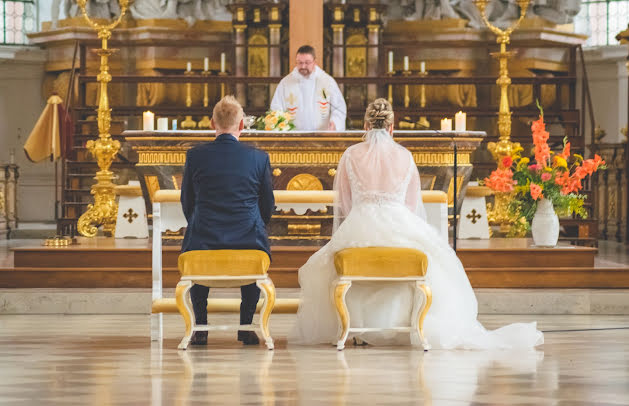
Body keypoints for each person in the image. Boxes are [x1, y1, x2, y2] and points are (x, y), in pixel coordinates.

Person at [290, 98, 544, 349]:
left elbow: (344, 203)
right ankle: (408, 325)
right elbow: (411, 205)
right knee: (435, 263)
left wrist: (362, 219)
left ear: (366, 126)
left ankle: (355, 328)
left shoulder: (351, 155)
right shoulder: (404, 156)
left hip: (359, 223)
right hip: (399, 222)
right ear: (392, 127)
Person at [180, 95, 275, 346]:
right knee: (253, 249)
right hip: (247, 237)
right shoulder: (258, 158)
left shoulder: (195, 156)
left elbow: (187, 201)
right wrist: (254, 223)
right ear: (241, 125)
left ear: (212, 123)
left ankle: (200, 327)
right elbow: (268, 204)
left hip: (204, 237)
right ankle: (245, 326)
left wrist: (201, 222)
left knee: (199, 254)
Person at [270, 45, 347, 131]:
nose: (303, 66)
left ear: (314, 62)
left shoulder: (327, 82)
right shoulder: (285, 83)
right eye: (300, 62)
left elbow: (339, 108)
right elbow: (276, 108)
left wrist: (335, 123)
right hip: (293, 137)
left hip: (322, 137)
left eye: (307, 63)